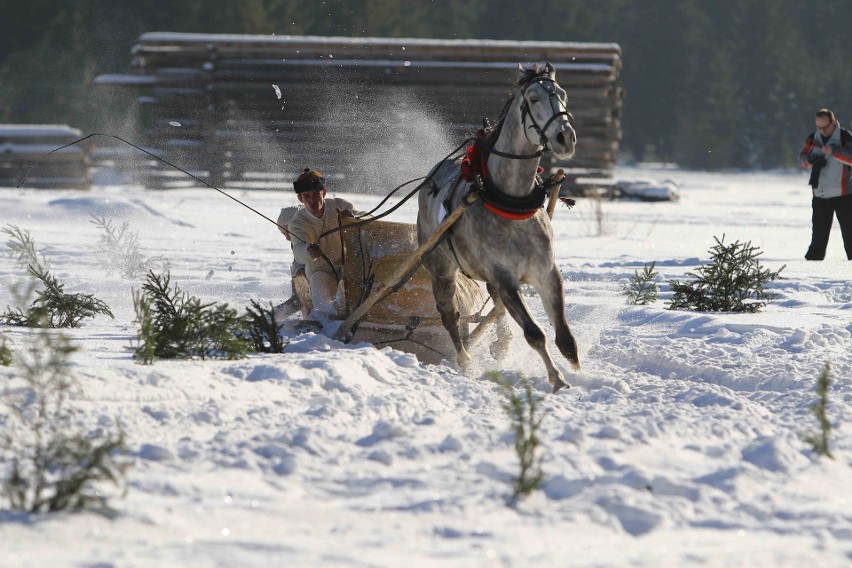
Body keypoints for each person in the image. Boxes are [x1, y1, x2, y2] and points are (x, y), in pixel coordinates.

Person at [286, 168, 360, 316]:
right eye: (306, 196)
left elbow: (368, 219)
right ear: (300, 199)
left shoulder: (340, 206)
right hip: (319, 271)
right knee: (324, 307)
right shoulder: (297, 223)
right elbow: (299, 251)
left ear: (324, 193)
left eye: (316, 195)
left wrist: (353, 219)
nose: (312, 201)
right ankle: (332, 326)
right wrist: (309, 251)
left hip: (349, 267)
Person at [799, 108, 852, 260]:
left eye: (825, 127)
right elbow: (802, 158)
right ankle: (810, 275)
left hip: (844, 195)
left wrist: (834, 151)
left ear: (833, 123)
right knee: (818, 241)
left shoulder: (845, 137)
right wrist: (809, 160)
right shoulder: (813, 138)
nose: (822, 131)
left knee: (850, 238)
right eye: (819, 127)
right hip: (820, 195)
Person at [274, 205, 311, 319]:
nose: (287, 238)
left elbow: (297, 302)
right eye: (283, 234)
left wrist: (271, 317)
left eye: (288, 232)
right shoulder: (296, 247)